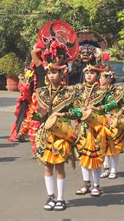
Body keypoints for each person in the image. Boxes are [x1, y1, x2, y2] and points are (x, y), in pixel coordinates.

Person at [34, 59, 82, 211]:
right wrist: (38, 113)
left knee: (60, 167)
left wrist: (65, 113)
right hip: (46, 134)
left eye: (54, 72)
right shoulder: (41, 92)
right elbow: (36, 114)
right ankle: (51, 196)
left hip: (61, 133)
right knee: (48, 167)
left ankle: (61, 198)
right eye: (49, 73)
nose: (51, 75)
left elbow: (78, 112)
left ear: (62, 74)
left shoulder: (69, 92)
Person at [75, 64, 111, 197]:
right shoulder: (78, 90)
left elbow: (112, 104)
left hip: (96, 128)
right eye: (87, 73)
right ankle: (86, 184)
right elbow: (72, 105)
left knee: (96, 157)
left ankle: (96, 185)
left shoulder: (103, 91)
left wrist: (98, 109)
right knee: (83, 156)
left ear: (97, 76)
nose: (89, 75)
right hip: (81, 128)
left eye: (92, 73)